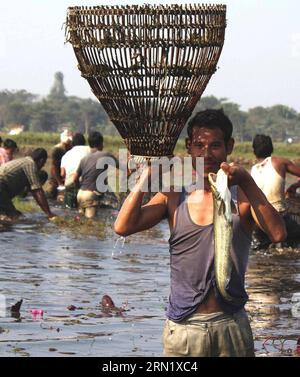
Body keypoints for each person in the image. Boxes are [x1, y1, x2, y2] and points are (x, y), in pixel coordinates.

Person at [114, 109, 286, 357]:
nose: (206, 154)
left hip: (231, 326)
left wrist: (247, 181)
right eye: (199, 145)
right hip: (184, 329)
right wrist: (148, 175)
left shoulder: (244, 198)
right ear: (189, 148)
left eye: (215, 145)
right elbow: (123, 227)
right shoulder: (173, 195)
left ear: (229, 146)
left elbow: (278, 234)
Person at [251, 134, 300, 247]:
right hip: (280, 217)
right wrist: (295, 186)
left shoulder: (253, 170)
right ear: (271, 148)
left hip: (259, 221)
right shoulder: (279, 162)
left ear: (254, 151)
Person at [0, 148, 55, 220]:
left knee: (7, 216)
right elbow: (37, 191)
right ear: (41, 160)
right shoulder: (30, 164)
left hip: (3, 188)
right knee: (15, 217)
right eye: (43, 163)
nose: (42, 166)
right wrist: (49, 213)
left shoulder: (24, 161)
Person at [74, 131, 119, 218]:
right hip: (91, 194)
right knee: (91, 225)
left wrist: (79, 189)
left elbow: (75, 178)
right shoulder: (106, 155)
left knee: (81, 221)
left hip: (80, 194)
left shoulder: (84, 159)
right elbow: (122, 167)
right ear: (101, 143)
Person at [60, 133, 90, 208]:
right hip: (85, 183)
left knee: (69, 209)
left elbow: (62, 174)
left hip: (70, 184)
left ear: (72, 143)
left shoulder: (66, 155)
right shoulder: (89, 150)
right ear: (84, 142)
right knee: (85, 209)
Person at [45, 130, 73, 199]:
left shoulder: (71, 150)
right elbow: (54, 168)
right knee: (52, 195)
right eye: (67, 143)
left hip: (66, 179)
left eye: (70, 142)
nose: (69, 144)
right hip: (56, 180)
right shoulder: (57, 150)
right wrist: (60, 184)